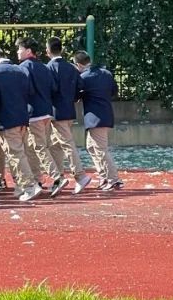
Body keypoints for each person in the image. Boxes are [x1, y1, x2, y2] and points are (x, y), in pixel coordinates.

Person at [0, 45, 42, 202]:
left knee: (16, 154)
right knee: (18, 152)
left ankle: (29, 185)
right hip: (22, 117)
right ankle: (22, 185)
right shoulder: (20, 70)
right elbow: (29, 92)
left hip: (5, 119)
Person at [17, 38, 62, 194]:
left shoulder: (23, 67)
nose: (17, 51)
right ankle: (37, 179)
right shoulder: (44, 67)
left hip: (34, 112)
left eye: (19, 49)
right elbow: (53, 87)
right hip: (47, 111)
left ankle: (57, 177)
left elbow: (24, 90)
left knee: (39, 147)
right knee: (33, 147)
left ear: (28, 51)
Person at [73, 51, 123, 193]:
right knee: (91, 146)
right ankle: (104, 176)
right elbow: (114, 90)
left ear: (78, 64)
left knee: (100, 149)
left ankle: (113, 179)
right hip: (106, 114)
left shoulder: (83, 77)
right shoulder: (106, 73)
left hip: (94, 118)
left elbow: (76, 96)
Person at [46, 37, 90, 194]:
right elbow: (80, 86)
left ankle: (80, 175)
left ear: (48, 51)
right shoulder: (71, 68)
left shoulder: (49, 68)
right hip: (69, 110)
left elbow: (50, 90)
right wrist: (72, 99)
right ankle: (59, 177)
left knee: (66, 144)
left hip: (57, 112)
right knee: (54, 145)